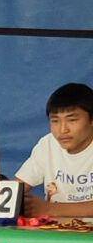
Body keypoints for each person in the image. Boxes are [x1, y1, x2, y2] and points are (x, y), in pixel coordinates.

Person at [15, 81, 93, 223]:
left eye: (72, 120)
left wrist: (48, 208)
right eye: (55, 121)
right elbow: (15, 188)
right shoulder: (48, 144)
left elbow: (47, 209)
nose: (63, 130)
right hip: (54, 232)